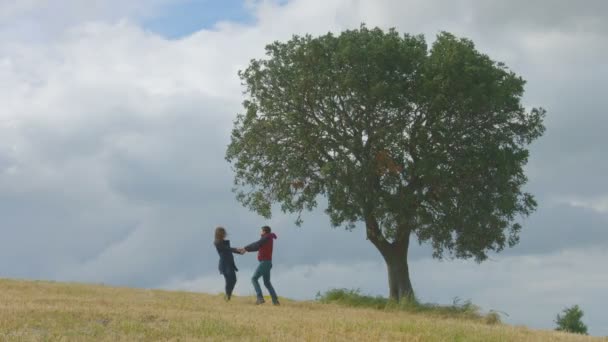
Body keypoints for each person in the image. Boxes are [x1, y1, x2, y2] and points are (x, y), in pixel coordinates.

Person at [240, 225, 279, 305]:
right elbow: (257, 247)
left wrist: (245, 248)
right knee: (267, 283)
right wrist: (246, 250)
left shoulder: (266, 237)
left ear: (264, 231)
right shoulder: (267, 238)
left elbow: (257, 244)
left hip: (264, 263)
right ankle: (275, 301)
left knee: (254, 279)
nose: (260, 233)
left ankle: (260, 298)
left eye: (261, 231)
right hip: (268, 263)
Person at [213, 226, 244, 301]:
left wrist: (240, 252)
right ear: (219, 233)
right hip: (224, 264)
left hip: (230, 263)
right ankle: (228, 297)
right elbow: (226, 249)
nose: (225, 233)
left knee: (233, 280)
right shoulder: (217, 242)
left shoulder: (224, 242)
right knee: (229, 280)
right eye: (223, 232)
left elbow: (229, 250)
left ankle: (228, 296)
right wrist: (237, 249)